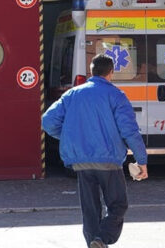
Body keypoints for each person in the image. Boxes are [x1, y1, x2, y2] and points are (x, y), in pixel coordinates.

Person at [42, 53, 148, 248]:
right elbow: (129, 131)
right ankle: (101, 239)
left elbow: (47, 121)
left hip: (81, 162)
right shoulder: (116, 95)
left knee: (90, 209)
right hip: (109, 161)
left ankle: (94, 243)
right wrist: (142, 161)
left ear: (91, 72)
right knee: (118, 205)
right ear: (111, 72)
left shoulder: (73, 94)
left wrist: (71, 138)